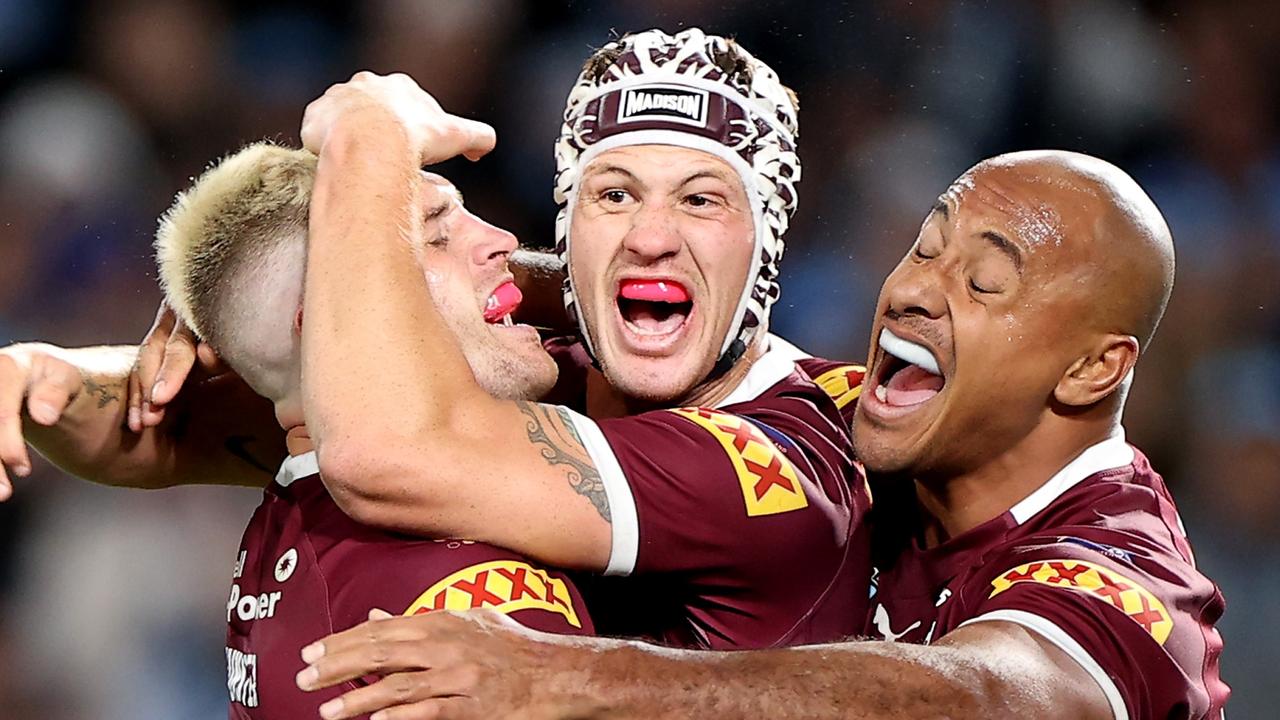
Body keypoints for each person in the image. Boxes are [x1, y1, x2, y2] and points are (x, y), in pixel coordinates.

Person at [0, 29, 871, 651]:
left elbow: (382, 443)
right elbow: (160, 430)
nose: (650, 235)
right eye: (612, 195)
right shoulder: (523, 383)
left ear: (768, 235)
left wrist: (366, 136)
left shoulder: (778, 464)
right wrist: (42, 373)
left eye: (702, 198)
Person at [292, 150, 1229, 720]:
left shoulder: (1123, 576)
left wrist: (576, 679)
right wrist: (261, 302)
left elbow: (977, 698)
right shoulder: (852, 417)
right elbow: (606, 305)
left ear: (1091, 370)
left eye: (982, 286)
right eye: (925, 245)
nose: (911, 290)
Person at [171, 142, 594, 718]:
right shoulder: (464, 596)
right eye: (437, 239)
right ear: (331, 322)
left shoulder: (292, 526)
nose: (504, 242)